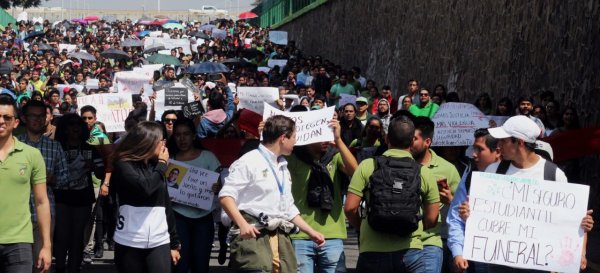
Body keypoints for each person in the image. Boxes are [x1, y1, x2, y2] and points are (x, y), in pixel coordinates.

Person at [459, 115, 595, 272]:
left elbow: (567, 223)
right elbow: (480, 218)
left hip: (539, 266)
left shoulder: (552, 175)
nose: (499, 145)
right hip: (500, 265)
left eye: (503, 141)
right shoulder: (494, 171)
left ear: (520, 142)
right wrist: (468, 214)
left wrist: (581, 227)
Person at [219, 115, 326, 273]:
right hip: (253, 238)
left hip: (279, 239)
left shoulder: (283, 166)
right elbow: (225, 196)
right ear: (283, 138)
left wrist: (311, 232)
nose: (295, 142)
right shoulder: (249, 161)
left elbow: (288, 208)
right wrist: (242, 224)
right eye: (294, 137)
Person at [345, 115, 440, 273]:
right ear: (412, 141)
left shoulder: (368, 166)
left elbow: (349, 208)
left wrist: (364, 227)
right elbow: (432, 218)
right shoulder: (424, 172)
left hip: (372, 250)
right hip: (410, 252)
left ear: (387, 138)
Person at [287, 114, 358, 273]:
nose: (326, 140)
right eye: (322, 135)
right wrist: (265, 136)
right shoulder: (293, 157)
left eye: (329, 134)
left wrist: (339, 141)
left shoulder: (334, 156)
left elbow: (356, 172)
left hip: (332, 235)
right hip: (301, 236)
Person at [111, 121, 181, 273]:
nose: (164, 145)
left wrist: (174, 243)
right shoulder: (124, 165)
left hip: (159, 240)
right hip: (129, 240)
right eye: (161, 141)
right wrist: (162, 164)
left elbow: (165, 205)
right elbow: (145, 188)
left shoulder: (156, 168)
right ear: (148, 142)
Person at [0, 94, 52, 273]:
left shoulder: (32, 155)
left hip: (19, 242)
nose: (1, 121)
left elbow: (42, 201)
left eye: (7, 117)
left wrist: (46, 245)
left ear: (15, 122)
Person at [18, 100, 69, 272]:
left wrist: (51, 179)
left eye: (42, 116)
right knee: (18, 264)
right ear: (24, 118)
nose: (38, 120)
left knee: (41, 264)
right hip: (17, 213)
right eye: (33, 116)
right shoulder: (14, 144)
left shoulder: (54, 147)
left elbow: (65, 178)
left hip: (44, 213)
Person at [167, 118, 222, 273]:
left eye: (186, 134)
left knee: (201, 265)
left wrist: (217, 187)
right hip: (178, 218)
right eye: (178, 135)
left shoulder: (208, 157)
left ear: (193, 136)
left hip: (203, 219)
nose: (182, 138)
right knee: (180, 265)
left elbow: (219, 186)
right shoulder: (170, 160)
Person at [53, 113, 105, 273]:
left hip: (83, 198)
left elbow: (101, 173)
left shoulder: (90, 147)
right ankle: (60, 267)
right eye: (70, 124)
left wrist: (93, 166)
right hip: (60, 196)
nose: (75, 128)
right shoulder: (56, 146)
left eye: (78, 124)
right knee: (61, 235)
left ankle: (74, 268)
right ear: (64, 128)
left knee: (77, 236)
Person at [410, 116, 460, 273]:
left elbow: (462, 207)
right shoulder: (398, 164)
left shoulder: (448, 169)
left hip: (430, 242)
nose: (409, 142)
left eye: (413, 139)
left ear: (427, 142)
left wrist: (451, 200)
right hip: (401, 241)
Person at [447, 129, 501, 273]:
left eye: (480, 149)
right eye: (474, 148)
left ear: (498, 152)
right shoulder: (470, 176)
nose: (474, 154)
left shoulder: (515, 177)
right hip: (475, 260)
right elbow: (455, 217)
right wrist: (458, 252)